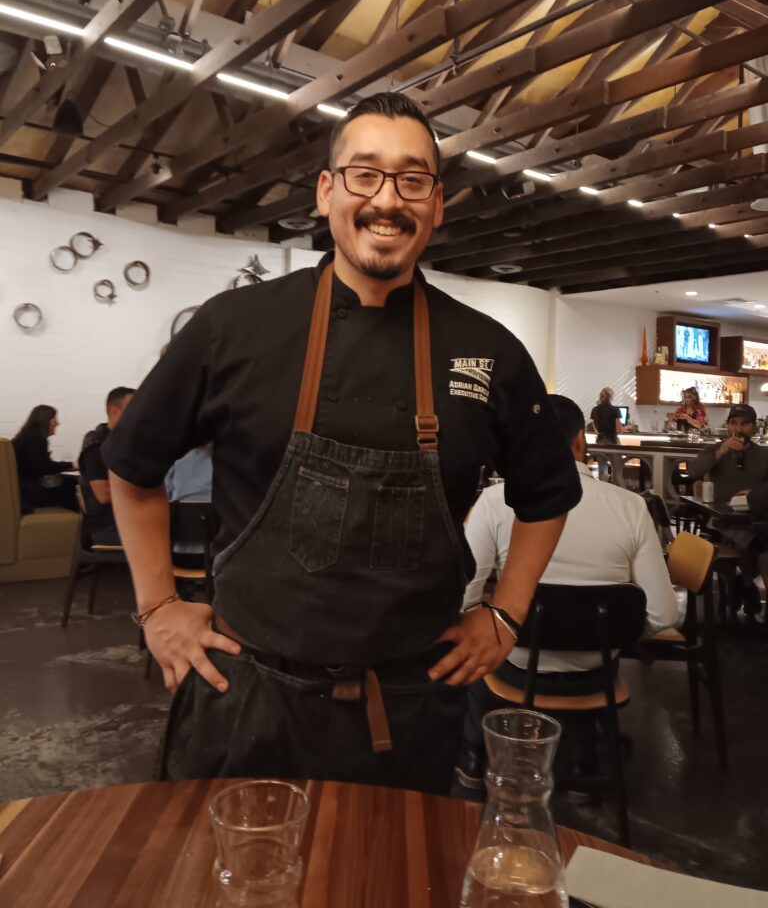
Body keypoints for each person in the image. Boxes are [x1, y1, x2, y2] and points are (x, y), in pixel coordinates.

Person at [104, 91, 581, 795]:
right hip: (246, 697)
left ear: (436, 204)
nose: (387, 199)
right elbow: (132, 466)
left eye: (412, 180)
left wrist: (505, 614)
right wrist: (157, 606)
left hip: (408, 709)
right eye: (365, 174)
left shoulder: (489, 351)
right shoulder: (234, 326)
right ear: (327, 192)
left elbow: (546, 496)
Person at [456, 394, 678, 789]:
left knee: (477, 644)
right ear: (580, 441)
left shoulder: (494, 502)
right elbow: (663, 615)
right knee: (591, 656)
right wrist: (612, 635)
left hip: (516, 665)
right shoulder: (630, 507)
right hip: (595, 674)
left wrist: (492, 623)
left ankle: (475, 758)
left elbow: (462, 597)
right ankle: (581, 764)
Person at [685, 405, 768, 618]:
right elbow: (692, 472)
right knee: (757, 545)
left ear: (754, 427)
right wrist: (721, 452)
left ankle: (743, 583)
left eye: (744, 424)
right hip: (720, 521)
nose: (738, 429)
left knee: (756, 540)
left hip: (754, 518)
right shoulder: (714, 450)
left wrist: (753, 494)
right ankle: (746, 584)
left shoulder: (763, 454)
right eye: (734, 423)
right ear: (728, 425)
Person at [79, 387, 136, 545]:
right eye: (134, 408)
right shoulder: (96, 446)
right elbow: (103, 495)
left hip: (126, 518)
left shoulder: (122, 443)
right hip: (108, 526)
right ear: (115, 411)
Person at [11, 405, 77, 513]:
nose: (58, 423)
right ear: (45, 421)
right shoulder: (35, 439)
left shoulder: (25, 437)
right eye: (54, 419)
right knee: (72, 487)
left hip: (22, 491)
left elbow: (38, 465)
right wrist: (72, 464)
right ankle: (78, 521)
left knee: (67, 485)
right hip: (27, 494)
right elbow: (44, 467)